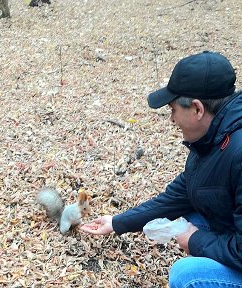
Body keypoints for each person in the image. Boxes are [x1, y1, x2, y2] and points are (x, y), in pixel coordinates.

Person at [80, 51, 242, 287]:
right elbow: (177, 196)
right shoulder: (212, 139)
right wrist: (117, 222)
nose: (172, 120)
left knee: (187, 276)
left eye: (173, 110)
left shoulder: (236, 152)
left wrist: (196, 239)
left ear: (197, 109)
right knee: (192, 216)